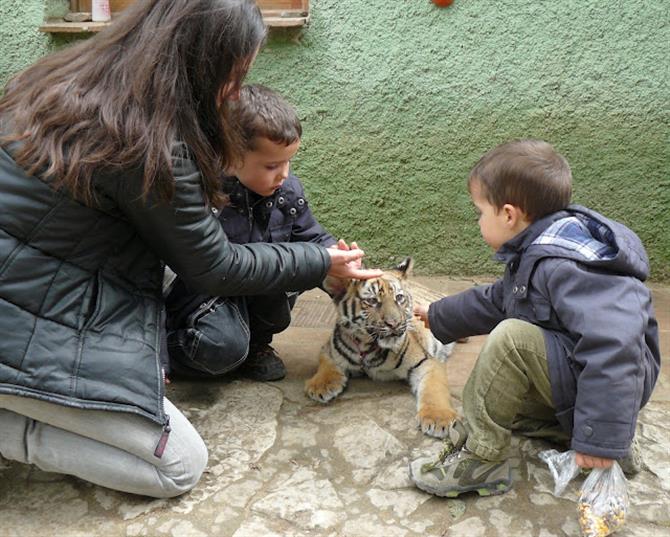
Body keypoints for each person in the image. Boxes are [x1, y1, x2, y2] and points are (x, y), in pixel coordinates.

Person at [0, 0, 380, 499]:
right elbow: (214, 266)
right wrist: (319, 263)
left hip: (35, 288)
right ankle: (14, 429)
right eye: (236, 73)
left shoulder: (57, 80)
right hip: (20, 323)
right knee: (178, 466)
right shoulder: (146, 138)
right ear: (203, 61)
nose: (234, 91)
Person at [409, 139, 660, 497]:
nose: (479, 220)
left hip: (610, 374)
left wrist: (602, 439)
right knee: (501, 399)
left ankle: (484, 460)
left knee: (510, 340)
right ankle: (583, 433)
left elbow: (615, 346)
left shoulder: (564, 265)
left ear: (509, 214)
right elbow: (500, 299)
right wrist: (439, 314)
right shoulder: (540, 248)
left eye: (480, 212)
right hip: (578, 373)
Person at [164, 84, 345, 382]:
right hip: (205, 298)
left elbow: (310, 236)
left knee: (289, 273)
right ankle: (179, 349)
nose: (284, 174)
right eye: (272, 165)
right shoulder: (202, 196)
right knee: (224, 348)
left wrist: (339, 261)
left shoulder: (286, 191)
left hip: (254, 290)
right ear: (231, 155)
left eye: (288, 162)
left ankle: (257, 345)